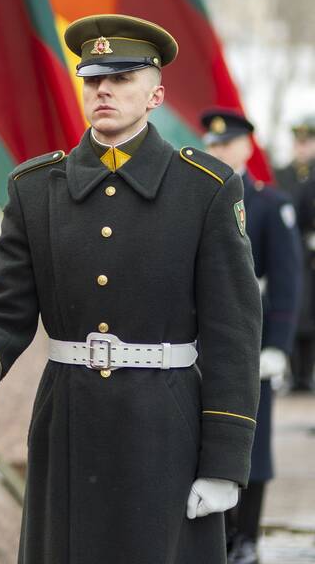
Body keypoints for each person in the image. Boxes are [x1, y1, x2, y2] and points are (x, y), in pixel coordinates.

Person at [0, 14, 262, 563]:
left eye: (122, 78)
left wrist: (224, 463)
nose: (103, 89)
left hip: (165, 427)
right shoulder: (36, 189)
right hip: (68, 424)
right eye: (93, 78)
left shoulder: (206, 189)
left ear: (155, 94)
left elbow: (233, 335)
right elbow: (4, 312)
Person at [200, 108, 302, 564]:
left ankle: (247, 538)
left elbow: (286, 279)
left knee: (252, 444)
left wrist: (278, 345)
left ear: (245, 147)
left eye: (227, 144)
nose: (219, 151)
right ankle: (212, 534)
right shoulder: (195, 196)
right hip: (199, 339)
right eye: (213, 145)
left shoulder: (267, 203)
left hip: (251, 339)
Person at [276, 116, 315, 392]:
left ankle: (307, 375)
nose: (302, 148)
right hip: (291, 252)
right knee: (294, 309)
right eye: (298, 142)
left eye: (307, 142)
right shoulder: (283, 174)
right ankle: (294, 374)